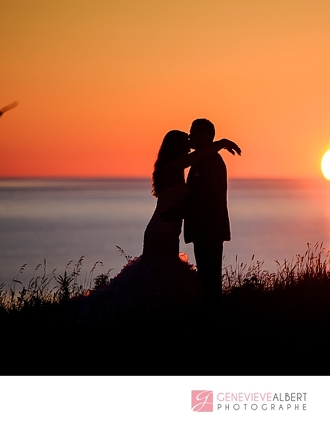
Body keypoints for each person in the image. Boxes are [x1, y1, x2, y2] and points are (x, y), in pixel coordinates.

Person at [79, 129, 240, 319]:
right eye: (185, 142)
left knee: (163, 269)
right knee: (159, 269)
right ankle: (153, 310)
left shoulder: (176, 168)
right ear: (176, 147)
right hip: (162, 227)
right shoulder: (172, 167)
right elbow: (198, 156)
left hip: (170, 227)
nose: (189, 145)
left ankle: (159, 310)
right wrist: (221, 142)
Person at [184, 118, 237, 308]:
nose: (190, 136)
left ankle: (214, 317)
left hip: (209, 228)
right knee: (207, 276)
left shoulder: (210, 160)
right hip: (204, 229)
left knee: (210, 277)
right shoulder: (201, 159)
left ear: (206, 136)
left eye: (194, 132)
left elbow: (208, 195)